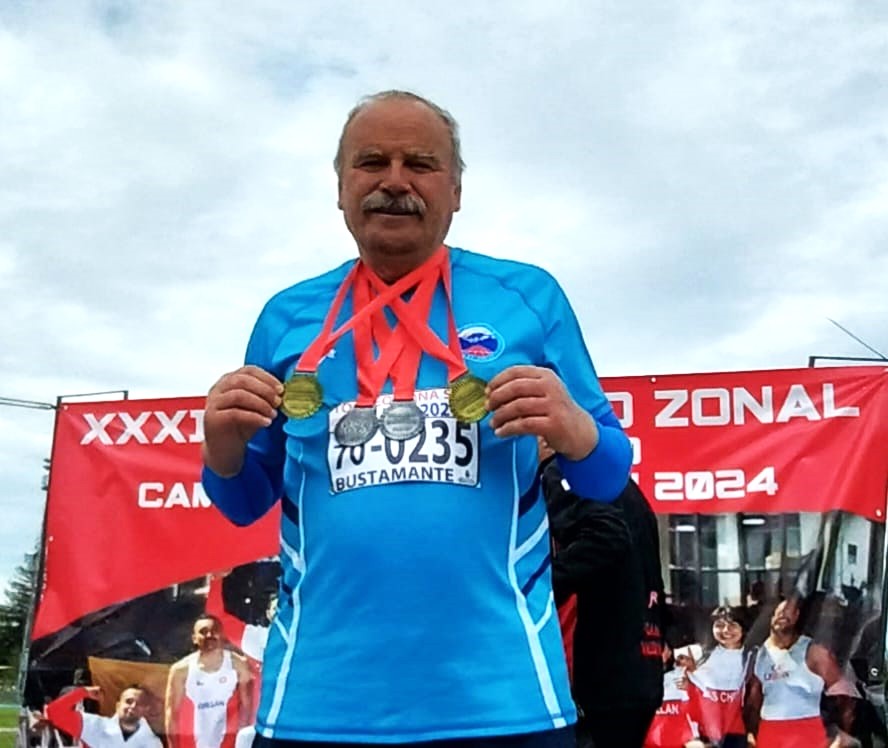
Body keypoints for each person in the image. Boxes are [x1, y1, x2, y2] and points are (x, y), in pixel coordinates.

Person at [201, 90, 633, 746]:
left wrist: (575, 429)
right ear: (341, 186)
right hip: (315, 706)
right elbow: (243, 501)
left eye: (420, 164)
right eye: (372, 162)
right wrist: (221, 446)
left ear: (456, 190)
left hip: (504, 702)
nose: (394, 181)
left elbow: (606, 479)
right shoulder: (287, 316)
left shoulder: (527, 297)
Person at [541, 447, 664, 748]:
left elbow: (607, 536)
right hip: (641, 665)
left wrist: (537, 589)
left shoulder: (562, 473)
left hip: (599, 674)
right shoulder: (624, 484)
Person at [745, 596, 854, 748]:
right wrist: (751, 735)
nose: (783, 616)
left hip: (806, 729)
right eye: (779, 612)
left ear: (797, 616)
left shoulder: (814, 652)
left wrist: (842, 735)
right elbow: (753, 702)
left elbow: (844, 694)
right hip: (769, 730)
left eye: (788, 612)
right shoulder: (759, 655)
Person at [164, 614, 253, 748]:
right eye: (203, 632)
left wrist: (241, 743)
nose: (210, 635)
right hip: (192, 741)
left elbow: (246, 707)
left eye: (214, 630)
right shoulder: (181, 670)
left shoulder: (238, 664)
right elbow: (171, 713)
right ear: (194, 638)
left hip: (227, 740)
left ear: (222, 635)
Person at [683, 607, 749, 748]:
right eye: (719, 625)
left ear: (743, 629)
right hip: (707, 733)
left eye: (732, 625)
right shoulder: (701, 656)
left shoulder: (752, 657)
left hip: (737, 731)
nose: (726, 631)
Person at [43, 685, 162, 748]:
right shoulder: (95, 726)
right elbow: (54, 713)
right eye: (128, 701)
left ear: (146, 710)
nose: (133, 706)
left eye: (140, 703)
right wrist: (83, 692)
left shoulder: (152, 744)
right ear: (118, 705)